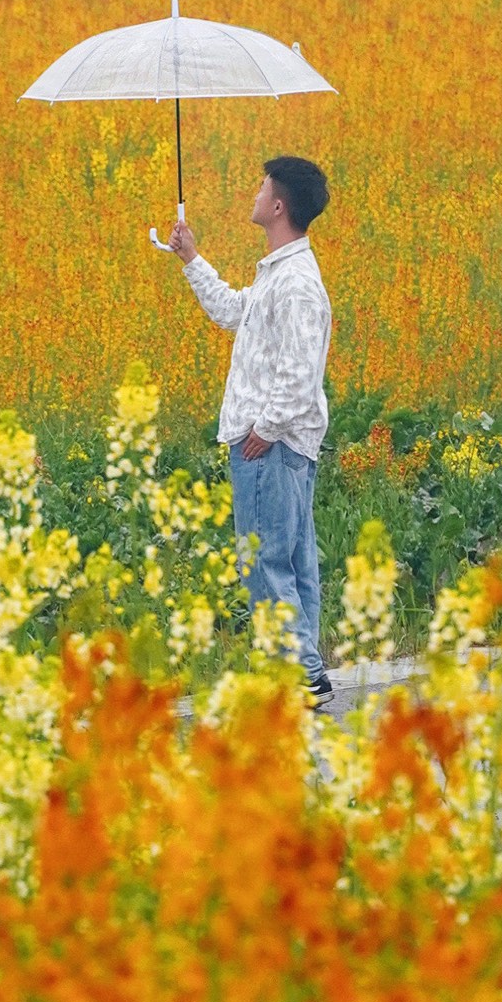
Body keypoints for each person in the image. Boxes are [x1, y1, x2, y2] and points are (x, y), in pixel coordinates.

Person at [169, 156, 334, 707]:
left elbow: (301, 370)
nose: (255, 193)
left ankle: (302, 675)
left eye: (262, 186)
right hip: (274, 440)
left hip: (272, 442)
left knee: (264, 561)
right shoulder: (278, 274)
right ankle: (304, 673)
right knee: (292, 562)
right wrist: (191, 256)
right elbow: (233, 312)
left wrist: (263, 428)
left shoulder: (297, 285)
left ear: (279, 205)